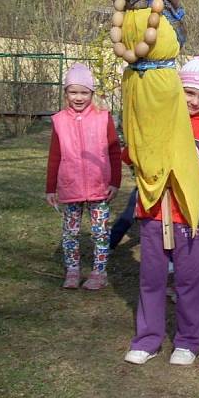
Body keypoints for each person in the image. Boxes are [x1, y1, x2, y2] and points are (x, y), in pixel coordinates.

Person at [124, 55, 199, 366]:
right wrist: (153, 170)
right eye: (189, 92)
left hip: (190, 216)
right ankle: (147, 339)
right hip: (155, 211)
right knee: (152, 278)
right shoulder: (156, 119)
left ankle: (188, 341)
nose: (194, 101)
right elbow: (134, 154)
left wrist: (183, 179)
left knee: (190, 281)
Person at [46, 63, 122, 290]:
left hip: (100, 187)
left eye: (84, 92)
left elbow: (114, 151)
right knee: (70, 232)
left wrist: (115, 182)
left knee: (100, 232)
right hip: (71, 187)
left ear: (91, 93)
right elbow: (54, 155)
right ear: (66, 93)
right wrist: (50, 188)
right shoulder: (59, 120)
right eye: (73, 92)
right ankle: (72, 270)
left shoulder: (103, 118)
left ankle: (99, 272)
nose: (78, 97)